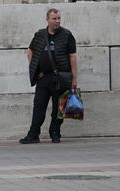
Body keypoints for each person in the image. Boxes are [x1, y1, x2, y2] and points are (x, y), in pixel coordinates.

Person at [19, 8, 78, 145]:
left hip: (61, 77)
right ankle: (33, 134)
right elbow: (30, 51)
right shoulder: (40, 35)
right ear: (48, 20)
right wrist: (35, 69)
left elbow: (72, 57)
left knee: (59, 108)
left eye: (59, 18)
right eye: (54, 19)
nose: (57, 21)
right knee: (39, 106)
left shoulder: (67, 35)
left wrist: (74, 79)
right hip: (43, 78)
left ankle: (55, 133)